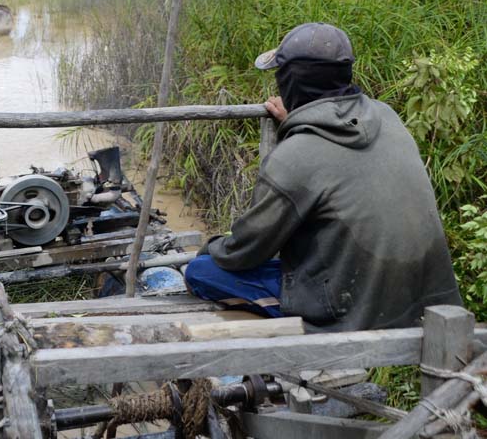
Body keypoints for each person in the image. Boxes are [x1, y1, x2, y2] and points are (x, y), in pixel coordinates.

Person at [184, 22, 461, 332]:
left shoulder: (294, 157)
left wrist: (209, 247)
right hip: (420, 305)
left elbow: (244, 252)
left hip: (352, 315)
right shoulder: (386, 115)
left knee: (201, 271)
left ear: (289, 81)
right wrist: (299, 123)